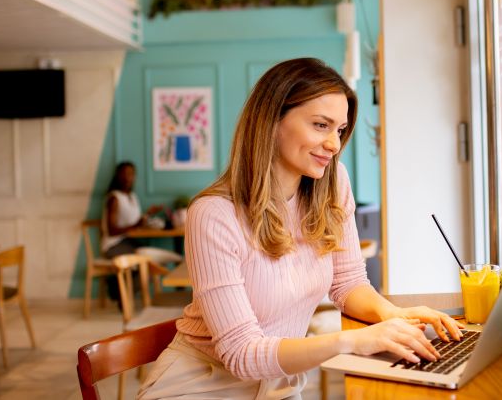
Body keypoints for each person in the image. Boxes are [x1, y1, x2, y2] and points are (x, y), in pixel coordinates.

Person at [138, 58, 463, 400]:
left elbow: (348, 283)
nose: (335, 145)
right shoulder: (214, 213)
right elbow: (240, 354)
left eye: (339, 130)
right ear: (272, 121)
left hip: (277, 384)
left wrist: (394, 315)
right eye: (321, 125)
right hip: (202, 385)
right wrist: (352, 341)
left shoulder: (333, 184)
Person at [101, 161, 183, 265]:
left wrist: (148, 214)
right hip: (113, 245)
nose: (127, 177)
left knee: (153, 257)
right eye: (124, 174)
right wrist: (136, 225)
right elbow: (111, 230)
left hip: (128, 241)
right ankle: (117, 281)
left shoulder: (132, 196)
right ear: (117, 176)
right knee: (148, 260)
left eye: (131, 174)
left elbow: (135, 221)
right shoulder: (114, 198)